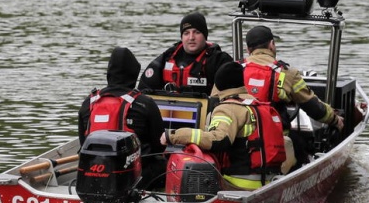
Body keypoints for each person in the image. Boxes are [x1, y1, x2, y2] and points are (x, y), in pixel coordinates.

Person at [161, 62, 288, 189]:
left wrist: (173, 135)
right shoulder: (257, 105)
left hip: (237, 185)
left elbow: (218, 139)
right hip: (268, 182)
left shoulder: (227, 108)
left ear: (219, 84)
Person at [242, 25, 344, 171]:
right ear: (272, 45)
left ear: (248, 49)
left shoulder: (234, 68)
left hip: (240, 142)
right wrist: (335, 119)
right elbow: (314, 107)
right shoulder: (287, 73)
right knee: (300, 145)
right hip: (275, 142)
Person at [78, 46, 167, 188]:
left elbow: (83, 144)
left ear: (109, 73)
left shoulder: (88, 103)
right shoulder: (145, 103)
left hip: (94, 176)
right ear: (134, 74)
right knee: (165, 163)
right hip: (135, 178)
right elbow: (159, 145)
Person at [138, 11, 233, 96]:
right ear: (182, 37)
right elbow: (144, 89)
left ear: (205, 36)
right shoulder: (168, 56)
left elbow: (230, 94)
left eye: (197, 32)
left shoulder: (219, 60)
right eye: (186, 33)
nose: (191, 37)